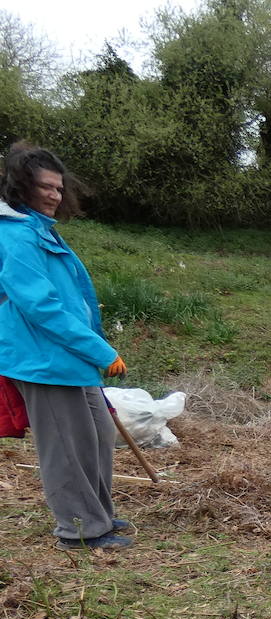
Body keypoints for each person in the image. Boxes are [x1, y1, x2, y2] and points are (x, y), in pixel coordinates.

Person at [0, 142, 131, 550]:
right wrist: (100, 351)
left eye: (59, 188)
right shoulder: (16, 237)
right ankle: (78, 530)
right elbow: (42, 307)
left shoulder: (38, 230)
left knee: (97, 433)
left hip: (67, 357)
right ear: (20, 186)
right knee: (65, 447)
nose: (55, 195)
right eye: (46, 187)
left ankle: (98, 515)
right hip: (42, 359)